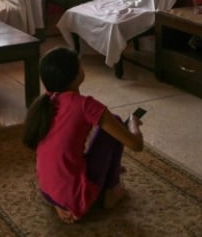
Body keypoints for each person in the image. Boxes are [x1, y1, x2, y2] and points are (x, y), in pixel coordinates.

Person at [22, 47, 144, 223]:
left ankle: (65, 199)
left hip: (48, 191)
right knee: (115, 123)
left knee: (105, 130)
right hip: (74, 196)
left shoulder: (49, 101)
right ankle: (111, 191)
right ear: (76, 75)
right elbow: (136, 145)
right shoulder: (85, 105)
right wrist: (133, 123)